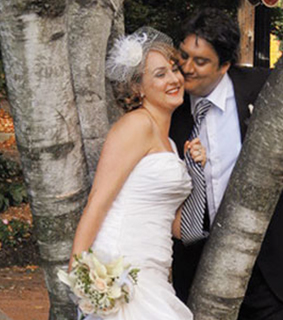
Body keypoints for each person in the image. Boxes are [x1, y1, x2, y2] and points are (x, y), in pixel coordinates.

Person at [170, 8, 283, 320]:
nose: (187, 68)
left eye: (200, 61)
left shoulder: (263, 86)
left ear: (225, 65)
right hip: (200, 267)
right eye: (184, 56)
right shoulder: (169, 108)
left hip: (271, 263)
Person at [69, 27, 205, 320]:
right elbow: (98, 201)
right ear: (138, 88)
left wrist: (199, 172)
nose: (174, 79)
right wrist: (78, 274)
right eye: (160, 74)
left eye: (173, 70)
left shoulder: (168, 143)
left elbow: (179, 228)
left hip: (153, 273)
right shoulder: (135, 126)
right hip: (121, 267)